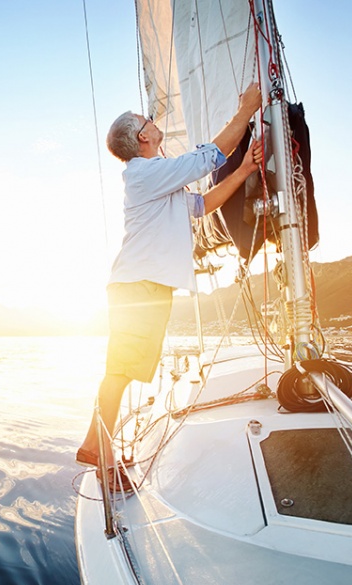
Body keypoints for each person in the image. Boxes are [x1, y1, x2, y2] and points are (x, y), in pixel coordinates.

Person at [76, 83, 263, 491]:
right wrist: (246, 109)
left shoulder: (158, 179)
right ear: (143, 137)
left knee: (126, 371)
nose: (152, 121)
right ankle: (99, 451)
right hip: (136, 286)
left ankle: (96, 444)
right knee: (120, 370)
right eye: (147, 121)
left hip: (146, 287)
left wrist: (247, 170)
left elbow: (202, 205)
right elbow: (208, 158)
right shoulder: (144, 173)